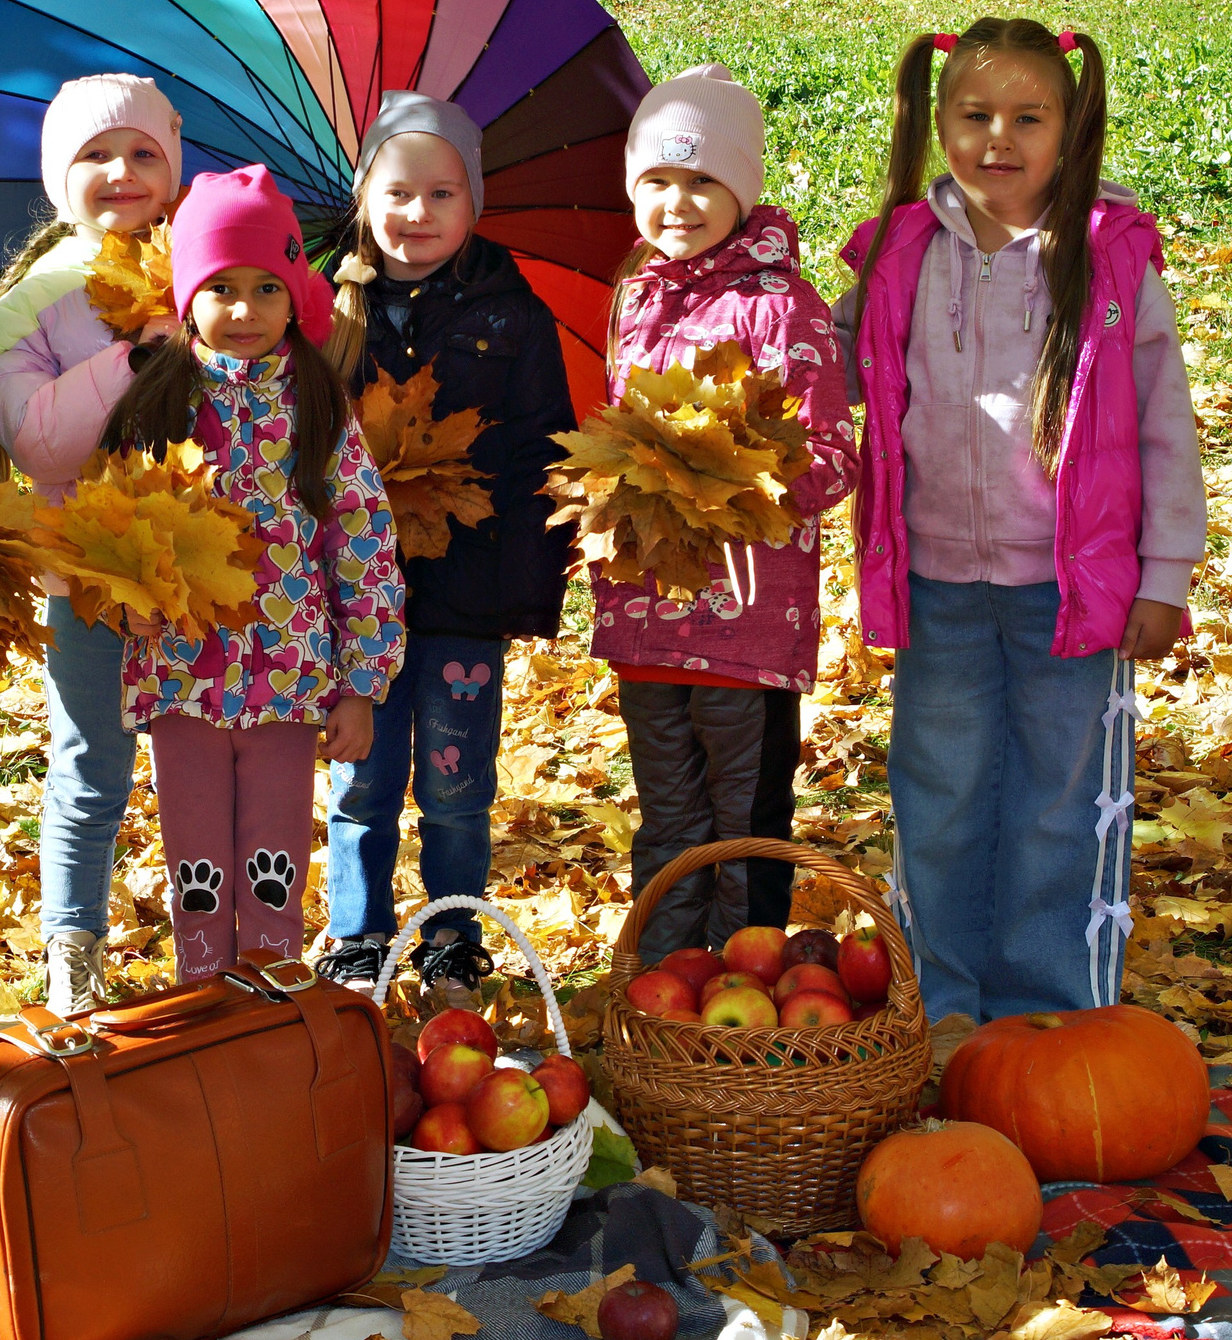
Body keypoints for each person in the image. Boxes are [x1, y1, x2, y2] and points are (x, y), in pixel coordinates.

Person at [835, 19, 1206, 1021]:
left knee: (1059, 804)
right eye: (974, 115)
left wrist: (1163, 575)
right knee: (940, 795)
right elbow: (825, 379)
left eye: (1026, 117)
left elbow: (1164, 424)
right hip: (939, 583)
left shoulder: (1111, 262)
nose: (998, 138)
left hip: (1070, 588)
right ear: (936, 120)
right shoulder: (898, 253)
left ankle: (1050, 1011)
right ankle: (942, 1009)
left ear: (1069, 125)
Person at [100, 166, 406, 980]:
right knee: (195, 865)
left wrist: (361, 682)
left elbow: (364, 544)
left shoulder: (318, 406)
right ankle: (205, 999)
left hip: (290, 678)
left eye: (266, 287)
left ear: (294, 293)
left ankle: (269, 1004)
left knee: (274, 861)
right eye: (221, 287)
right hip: (181, 674)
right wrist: (124, 600)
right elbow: (109, 531)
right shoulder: (157, 401)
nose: (243, 310)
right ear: (189, 292)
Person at [313, 92, 576, 997]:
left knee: (457, 780)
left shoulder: (513, 317)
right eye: (397, 192)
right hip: (357, 605)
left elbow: (545, 447)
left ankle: (453, 931)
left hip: (465, 597)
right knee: (361, 781)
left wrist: (530, 587)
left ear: (474, 206)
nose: (416, 215)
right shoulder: (327, 314)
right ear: (362, 196)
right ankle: (357, 932)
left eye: (441, 195)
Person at [598, 66, 859, 967]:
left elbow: (831, 459)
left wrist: (729, 480)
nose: (678, 202)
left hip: (747, 625)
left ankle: (737, 995)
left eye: (703, 180)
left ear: (742, 190)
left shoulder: (782, 307)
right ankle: (667, 987)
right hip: (644, 611)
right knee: (667, 813)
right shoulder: (631, 298)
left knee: (742, 818)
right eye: (657, 182)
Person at [0, 75, 183, 1016]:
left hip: (196, 572)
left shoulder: (208, 266)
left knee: (199, 753)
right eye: (96, 156)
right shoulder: (37, 298)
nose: (122, 172)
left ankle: (214, 939)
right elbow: (39, 438)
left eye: (143, 153)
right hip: (86, 573)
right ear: (62, 177)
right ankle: (74, 941)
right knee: (91, 759)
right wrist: (137, 352)